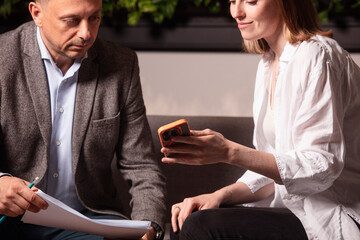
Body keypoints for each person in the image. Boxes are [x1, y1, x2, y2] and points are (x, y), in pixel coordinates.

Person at [161, 0, 360, 239]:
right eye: (232, 1)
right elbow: (275, 168)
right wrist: (220, 195)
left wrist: (229, 152)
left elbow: (322, 165)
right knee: (186, 219)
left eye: (251, 1)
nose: (237, 12)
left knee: (200, 227)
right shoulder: (268, 63)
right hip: (295, 212)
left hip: (332, 215)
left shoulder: (317, 54)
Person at [0, 0, 166, 239]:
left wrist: (150, 226)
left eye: (95, 18)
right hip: (8, 219)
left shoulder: (122, 64)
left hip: (87, 220)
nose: (86, 33)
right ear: (37, 13)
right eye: (72, 21)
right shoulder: (3, 58)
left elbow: (141, 166)